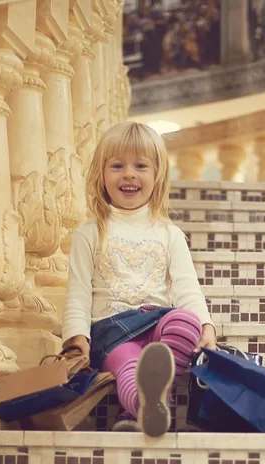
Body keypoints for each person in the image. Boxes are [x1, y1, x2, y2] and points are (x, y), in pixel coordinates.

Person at [61, 122, 216, 437]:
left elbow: (187, 289)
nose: (128, 174)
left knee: (185, 322)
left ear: (157, 175)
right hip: (114, 333)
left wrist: (207, 326)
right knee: (128, 367)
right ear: (101, 174)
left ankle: (147, 398)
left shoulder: (170, 235)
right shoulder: (89, 233)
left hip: (158, 326)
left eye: (140, 166)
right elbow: (78, 293)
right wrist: (77, 338)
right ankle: (146, 403)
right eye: (117, 165)